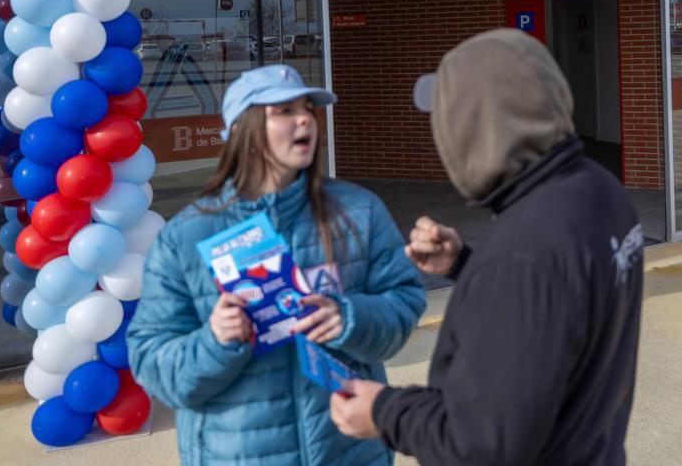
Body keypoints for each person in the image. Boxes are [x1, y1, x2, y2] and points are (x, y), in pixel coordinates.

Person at [328, 28, 644, 466]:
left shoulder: (522, 254)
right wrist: (467, 264)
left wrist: (384, 412)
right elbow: (558, 300)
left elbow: (484, 445)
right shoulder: (599, 189)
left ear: (476, 127)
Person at [128, 65, 426, 466]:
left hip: (349, 451)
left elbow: (404, 301)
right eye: (283, 110)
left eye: (307, 108)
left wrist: (350, 317)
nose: (305, 118)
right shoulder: (184, 237)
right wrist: (215, 342)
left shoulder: (359, 210)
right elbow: (152, 363)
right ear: (241, 131)